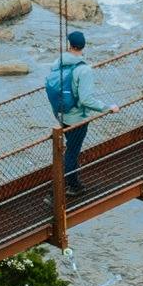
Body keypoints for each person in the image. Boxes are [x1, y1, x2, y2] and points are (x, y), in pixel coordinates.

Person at [45, 29, 103, 193]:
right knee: (72, 152)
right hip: (78, 119)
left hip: (62, 114)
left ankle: (70, 183)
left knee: (69, 148)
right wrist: (107, 108)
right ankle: (65, 187)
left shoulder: (58, 62)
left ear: (70, 45)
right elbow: (86, 100)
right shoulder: (84, 70)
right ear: (83, 46)